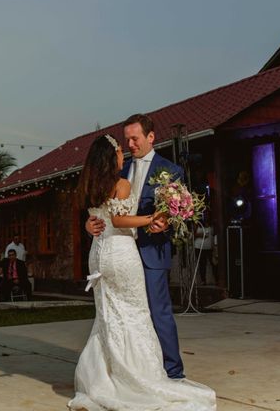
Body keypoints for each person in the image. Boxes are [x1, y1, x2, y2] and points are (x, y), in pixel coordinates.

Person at [72, 133, 216, 410]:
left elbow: (99, 216)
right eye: (118, 149)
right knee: (136, 314)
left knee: (109, 317)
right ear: (110, 156)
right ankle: (137, 377)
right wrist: (151, 218)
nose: (123, 152)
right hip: (123, 254)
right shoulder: (121, 181)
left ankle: (105, 378)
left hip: (99, 256)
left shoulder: (89, 183)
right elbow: (116, 219)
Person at [86, 114, 186, 380]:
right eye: (126, 139)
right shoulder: (118, 168)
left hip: (152, 251)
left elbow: (177, 212)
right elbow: (103, 206)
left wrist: (165, 222)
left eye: (135, 138)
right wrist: (89, 223)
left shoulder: (171, 170)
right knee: (122, 313)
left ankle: (173, 372)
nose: (129, 144)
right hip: (121, 253)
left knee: (157, 311)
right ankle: (131, 370)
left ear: (150, 137)